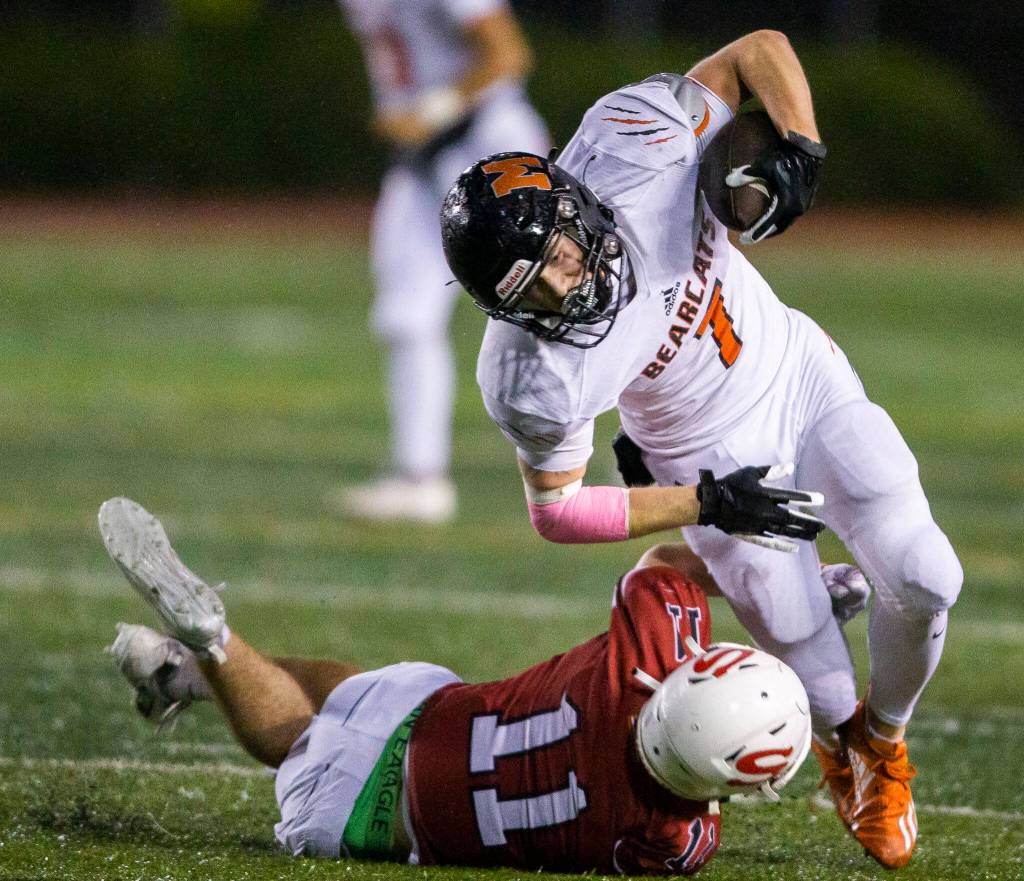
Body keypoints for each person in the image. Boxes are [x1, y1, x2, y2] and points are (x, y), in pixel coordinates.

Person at [438, 30, 963, 869]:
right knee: (823, 689)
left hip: (794, 372)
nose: (564, 288)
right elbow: (557, 511)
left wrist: (799, 143)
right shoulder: (530, 374)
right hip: (706, 461)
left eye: (560, 258)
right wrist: (705, 503)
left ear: (577, 202)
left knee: (932, 575)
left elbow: (760, 50)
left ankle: (883, 745)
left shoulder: (633, 144)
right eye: (529, 291)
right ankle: (845, 743)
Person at [99, 496, 836, 874]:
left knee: (341, 698)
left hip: (435, 714)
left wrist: (790, 598)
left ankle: (202, 658)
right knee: (298, 736)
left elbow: (667, 559)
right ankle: (201, 657)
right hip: (379, 815)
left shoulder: (648, 645)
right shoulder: (671, 837)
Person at [327, 0, 550, 523]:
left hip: (489, 145)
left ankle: (639, 451)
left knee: (555, 308)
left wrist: (428, 111)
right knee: (405, 315)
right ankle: (420, 478)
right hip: (423, 160)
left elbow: (508, 53)